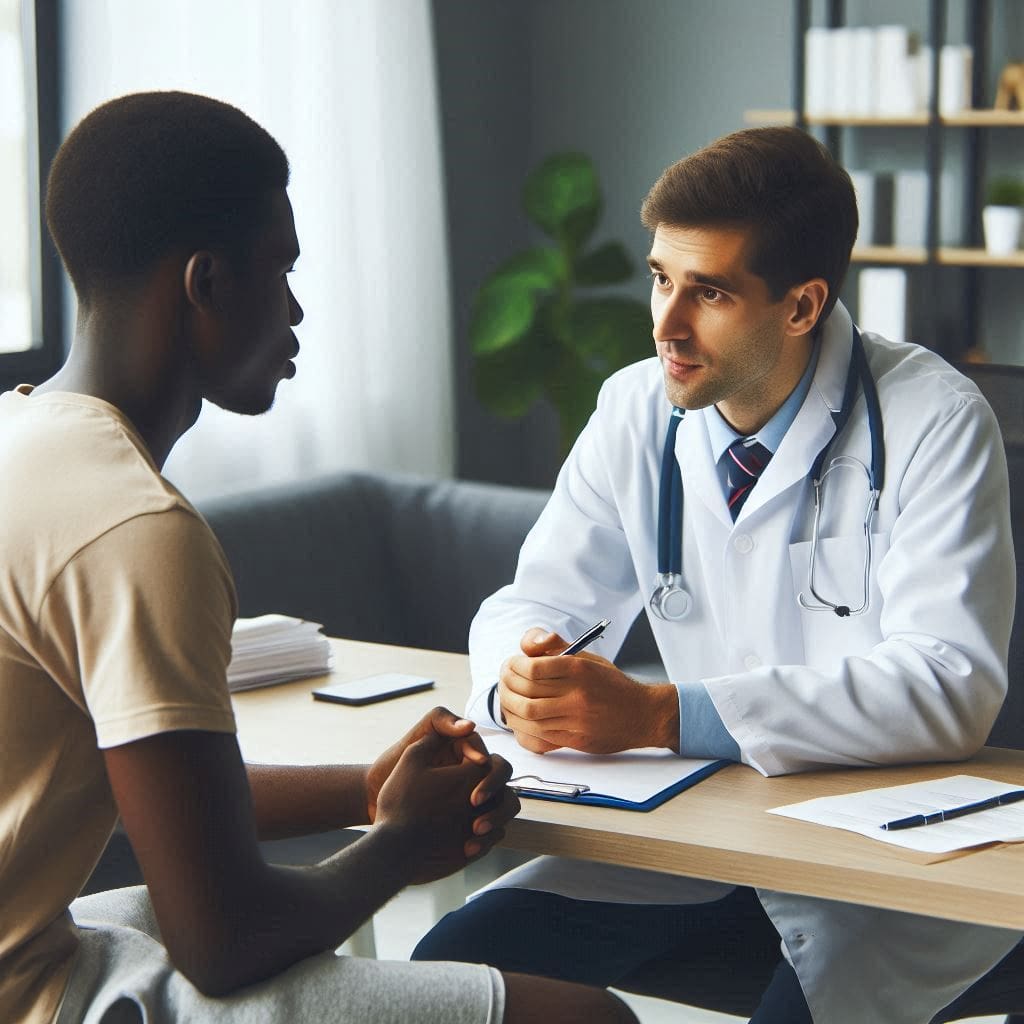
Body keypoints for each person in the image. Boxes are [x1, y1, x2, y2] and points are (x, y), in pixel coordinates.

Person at [0, 90, 639, 1024]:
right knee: (589, 1019)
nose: (296, 309)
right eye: (281, 269)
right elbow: (223, 943)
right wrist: (398, 841)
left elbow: (161, 802)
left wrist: (365, 786)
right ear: (206, 283)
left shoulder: (21, 439)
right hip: (29, 995)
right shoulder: (138, 529)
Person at [412, 126, 1022, 1023]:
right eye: (661, 278)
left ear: (803, 305)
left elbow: (949, 682)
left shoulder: (934, 420)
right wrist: (525, 677)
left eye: (709, 292)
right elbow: (536, 598)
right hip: (702, 837)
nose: (665, 322)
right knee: (451, 975)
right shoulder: (634, 407)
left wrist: (662, 713)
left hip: (887, 865)